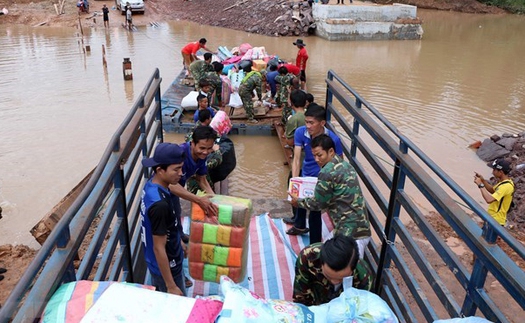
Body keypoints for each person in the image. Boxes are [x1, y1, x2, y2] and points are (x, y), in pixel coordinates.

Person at [289, 134, 372, 258]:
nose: (316, 159)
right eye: (314, 155)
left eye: (319, 155)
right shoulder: (345, 165)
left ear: (331, 151)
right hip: (362, 228)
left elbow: (318, 204)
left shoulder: (326, 172)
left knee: (346, 270)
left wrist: (298, 202)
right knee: (326, 251)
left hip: (350, 235)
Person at [285, 104, 343, 244]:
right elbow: (297, 157)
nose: (308, 126)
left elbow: (339, 164)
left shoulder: (333, 140)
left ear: (322, 123)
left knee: (314, 209)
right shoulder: (300, 132)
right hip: (306, 174)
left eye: (311, 123)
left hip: (321, 178)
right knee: (298, 199)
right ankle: (299, 225)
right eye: (306, 122)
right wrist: (295, 180)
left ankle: (314, 244)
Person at [140, 143, 186, 295]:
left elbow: (166, 226)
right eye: (176, 169)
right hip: (168, 268)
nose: (181, 173)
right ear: (160, 170)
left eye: (181, 167)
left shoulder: (152, 185)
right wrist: (171, 285)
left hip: (161, 259)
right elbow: (158, 247)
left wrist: (178, 240)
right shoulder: (159, 205)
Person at [293, 235, 373, 306]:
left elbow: (360, 309)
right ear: (321, 262)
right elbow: (300, 297)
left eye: (341, 279)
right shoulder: (308, 258)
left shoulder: (363, 276)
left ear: (353, 268)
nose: (334, 282)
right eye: (328, 276)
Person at [474, 158, 515, 227]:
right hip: (493, 218)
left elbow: (489, 200)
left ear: (501, 172)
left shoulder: (505, 186)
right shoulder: (504, 182)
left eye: (494, 170)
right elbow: (493, 190)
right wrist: (483, 180)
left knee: (487, 238)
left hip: (496, 221)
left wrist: (480, 185)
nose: (492, 172)